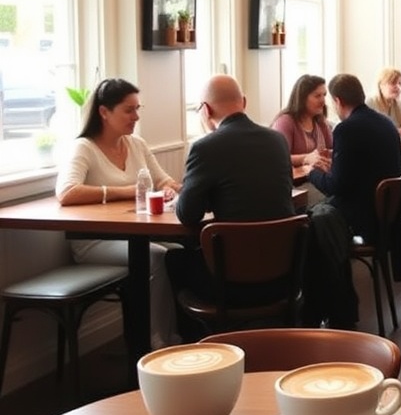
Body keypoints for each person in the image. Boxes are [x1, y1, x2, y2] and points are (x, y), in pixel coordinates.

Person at [55, 77, 182, 349]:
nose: (136, 116)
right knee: (156, 256)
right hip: (95, 242)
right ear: (104, 112)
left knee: (178, 252)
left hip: (136, 234)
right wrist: (127, 191)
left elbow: (164, 180)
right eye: (129, 110)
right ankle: (155, 342)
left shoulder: (137, 144)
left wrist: (169, 189)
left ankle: (176, 335)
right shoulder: (84, 147)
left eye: (138, 109)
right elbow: (66, 192)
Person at [170, 75, 296, 336]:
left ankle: (194, 345)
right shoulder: (277, 140)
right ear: (244, 102)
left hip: (229, 284)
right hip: (283, 276)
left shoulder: (205, 147)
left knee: (174, 259)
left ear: (205, 110)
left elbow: (188, 214)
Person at [307, 73, 401, 326]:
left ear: (338, 101)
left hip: (362, 218)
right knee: (322, 219)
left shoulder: (346, 129)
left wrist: (313, 172)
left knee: (314, 223)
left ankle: (328, 310)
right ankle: (336, 309)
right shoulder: (386, 124)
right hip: (386, 216)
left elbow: (337, 186)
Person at [271, 74, 333, 168]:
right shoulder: (285, 122)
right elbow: (278, 157)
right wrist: (305, 158)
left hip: (319, 175)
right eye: (317, 96)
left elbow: (331, 149)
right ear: (302, 98)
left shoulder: (322, 122)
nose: (323, 101)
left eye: (324, 95)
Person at [367, 66, 401, 136]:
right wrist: (400, 131)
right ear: (381, 85)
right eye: (393, 83)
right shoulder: (370, 102)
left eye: (399, 83)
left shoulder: (397, 102)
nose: (398, 87)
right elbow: (373, 133)